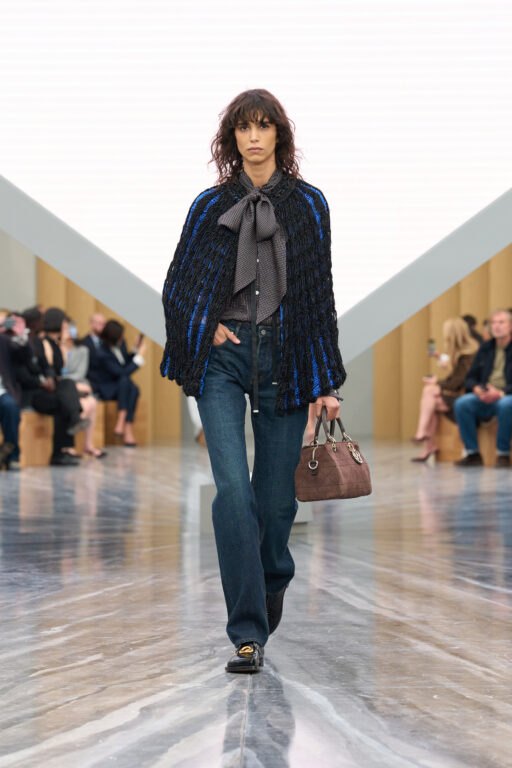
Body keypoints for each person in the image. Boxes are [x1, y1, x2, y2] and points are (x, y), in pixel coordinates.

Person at [160, 89, 345, 673]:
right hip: (225, 358)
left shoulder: (309, 204)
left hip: (285, 359)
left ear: (279, 135)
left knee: (276, 502)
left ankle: (273, 577)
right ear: (232, 138)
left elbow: (319, 297)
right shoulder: (209, 205)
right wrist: (206, 326)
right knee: (233, 494)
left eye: (264, 126)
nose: (255, 136)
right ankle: (246, 633)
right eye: (245, 127)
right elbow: (178, 285)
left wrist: (326, 380)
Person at [16, 307, 89, 466]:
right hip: (32, 393)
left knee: (68, 384)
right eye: (41, 320)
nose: (44, 323)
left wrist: (49, 376)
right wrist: (41, 381)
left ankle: (65, 444)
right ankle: (60, 451)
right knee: (62, 403)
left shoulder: (39, 342)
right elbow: (22, 374)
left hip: (44, 389)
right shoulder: (22, 344)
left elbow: (50, 366)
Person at [412, 318, 479, 461]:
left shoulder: (468, 355)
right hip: (459, 394)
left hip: (466, 397)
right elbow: (452, 369)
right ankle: (427, 444)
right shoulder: (464, 352)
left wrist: (438, 382)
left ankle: (423, 437)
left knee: (429, 392)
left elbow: (457, 382)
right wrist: (438, 357)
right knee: (431, 398)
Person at [454, 309, 512, 467]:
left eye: (501, 322)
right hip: (485, 395)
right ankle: (472, 453)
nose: (496, 326)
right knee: (462, 403)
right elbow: (470, 378)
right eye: (493, 323)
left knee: (506, 404)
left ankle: (503, 454)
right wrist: (476, 389)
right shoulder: (485, 348)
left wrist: (501, 392)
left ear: (510, 326)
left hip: (506, 395)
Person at [57, 318, 107, 458]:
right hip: (66, 385)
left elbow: (80, 373)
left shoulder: (82, 350)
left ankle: (88, 444)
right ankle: (68, 445)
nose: (70, 332)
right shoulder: (55, 348)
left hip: (78, 383)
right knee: (82, 405)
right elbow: (57, 371)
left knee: (92, 402)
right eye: (67, 329)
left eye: (72, 328)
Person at [93, 320, 145, 446]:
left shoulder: (121, 344)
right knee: (127, 382)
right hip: (107, 387)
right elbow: (121, 372)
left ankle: (124, 424)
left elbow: (124, 362)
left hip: (122, 386)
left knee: (132, 388)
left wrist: (135, 349)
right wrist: (140, 356)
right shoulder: (102, 352)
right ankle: (126, 427)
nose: (122, 338)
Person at [0, 312, 27, 470]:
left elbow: (23, 357)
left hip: (2, 391)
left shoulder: (3, 340)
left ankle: (12, 455)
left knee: (10, 406)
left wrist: (20, 336)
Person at [81, 313, 106, 389]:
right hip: (91, 381)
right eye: (100, 324)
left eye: (104, 324)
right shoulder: (83, 343)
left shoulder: (107, 342)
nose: (103, 327)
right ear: (91, 324)